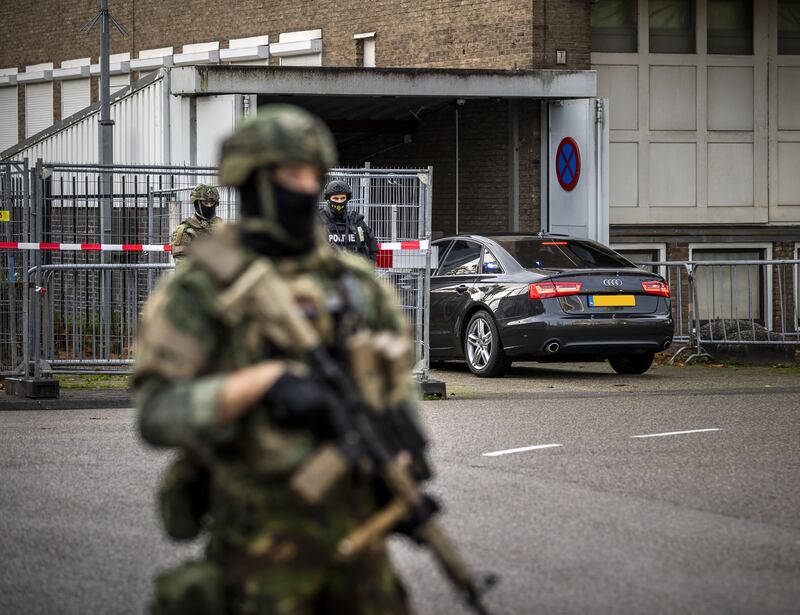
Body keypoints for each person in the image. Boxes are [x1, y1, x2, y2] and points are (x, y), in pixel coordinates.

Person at [134, 105, 418, 615]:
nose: (305, 187)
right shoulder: (203, 284)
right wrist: (261, 386)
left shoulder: (356, 285)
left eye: (314, 176)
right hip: (259, 559)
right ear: (253, 182)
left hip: (361, 560)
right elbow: (156, 412)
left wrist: (401, 460)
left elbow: (397, 398)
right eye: (291, 174)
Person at [319, 179, 379, 261]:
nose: (339, 201)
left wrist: (368, 267)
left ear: (347, 199)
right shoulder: (318, 220)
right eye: (335, 198)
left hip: (353, 272)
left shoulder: (356, 221)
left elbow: (373, 247)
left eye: (342, 198)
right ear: (328, 199)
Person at [170, 184, 223, 264]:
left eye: (212, 203)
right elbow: (182, 264)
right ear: (196, 204)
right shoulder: (186, 231)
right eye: (205, 203)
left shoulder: (222, 226)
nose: (209, 206)